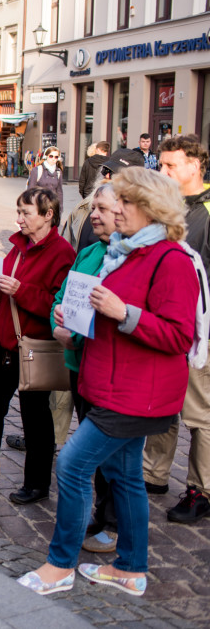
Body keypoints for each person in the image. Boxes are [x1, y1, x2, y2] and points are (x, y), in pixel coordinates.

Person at [17, 167, 196, 597]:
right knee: (126, 476)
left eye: (126, 202)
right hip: (111, 385)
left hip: (135, 395)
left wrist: (122, 313)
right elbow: (106, 314)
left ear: (151, 209)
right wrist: (73, 322)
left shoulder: (172, 260)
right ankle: (131, 569)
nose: (117, 209)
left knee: (73, 465)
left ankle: (60, 565)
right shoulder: (127, 251)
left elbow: (178, 335)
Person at [0, 187, 75, 503]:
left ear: (48, 215)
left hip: (34, 345)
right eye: (18, 212)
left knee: (35, 416)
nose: (19, 219)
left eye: (26, 213)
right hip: (5, 343)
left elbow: (57, 305)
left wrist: (21, 290)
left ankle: (37, 483)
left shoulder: (61, 253)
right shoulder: (18, 247)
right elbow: (5, 290)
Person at [47, 182, 118, 553]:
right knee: (91, 442)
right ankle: (101, 512)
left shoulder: (126, 260)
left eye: (102, 209)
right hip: (77, 363)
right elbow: (62, 296)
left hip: (105, 367)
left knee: (107, 455)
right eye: (93, 208)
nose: (94, 215)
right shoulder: (89, 251)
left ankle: (113, 521)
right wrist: (57, 321)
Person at [143, 135, 210, 521]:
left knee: (200, 413)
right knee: (163, 403)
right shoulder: (165, 207)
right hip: (164, 324)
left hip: (200, 329)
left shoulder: (206, 210)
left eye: (170, 166)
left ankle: (201, 489)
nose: (162, 171)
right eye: (161, 164)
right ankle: (154, 473)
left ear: (194, 165)